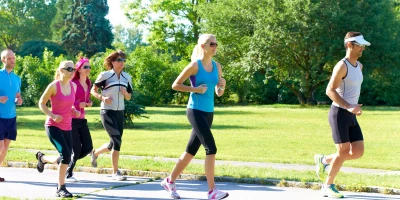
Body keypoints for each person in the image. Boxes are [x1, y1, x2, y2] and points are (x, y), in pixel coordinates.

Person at [160, 34, 229, 200]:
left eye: (216, 44)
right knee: (211, 148)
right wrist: (196, 90)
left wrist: (222, 87)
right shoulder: (194, 66)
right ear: (203, 46)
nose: (215, 46)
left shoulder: (217, 66)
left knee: (190, 152)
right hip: (195, 110)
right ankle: (212, 191)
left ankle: (169, 181)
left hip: (208, 112)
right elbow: (175, 85)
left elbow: (218, 93)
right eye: (212, 44)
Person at [314, 32, 370, 198]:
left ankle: (324, 160)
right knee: (344, 151)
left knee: (358, 151)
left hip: (351, 114)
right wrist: (348, 105)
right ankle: (327, 186)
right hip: (339, 113)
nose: (362, 48)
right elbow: (329, 90)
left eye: (363, 45)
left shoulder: (359, 66)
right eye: (359, 45)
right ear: (349, 45)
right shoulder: (342, 65)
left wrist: (354, 106)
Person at [36, 60, 80, 198]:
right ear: (61, 70)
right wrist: (52, 115)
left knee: (66, 156)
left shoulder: (73, 86)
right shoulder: (54, 86)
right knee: (66, 155)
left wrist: (73, 110)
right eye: (69, 69)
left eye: (73, 69)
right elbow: (41, 103)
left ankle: (42, 158)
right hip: (53, 126)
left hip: (67, 125)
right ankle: (61, 187)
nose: (72, 71)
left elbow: (68, 104)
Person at [90, 50, 132, 181]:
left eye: (123, 60)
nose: (122, 63)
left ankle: (95, 153)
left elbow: (129, 97)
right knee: (117, 141)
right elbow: (93, 90)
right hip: (107, 111)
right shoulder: (105, 75)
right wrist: (102, 98)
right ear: (113, 62)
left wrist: (125, 94)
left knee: (113, 143)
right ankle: (115, 172)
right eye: (119, 60)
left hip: (120, 112)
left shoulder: (127, 77)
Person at [64, 57, 94, 182]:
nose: (88, 69)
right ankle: (68, 173)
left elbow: (85, 99)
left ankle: (62, 160)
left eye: (89, 67)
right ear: (79, 69)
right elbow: (68, 101)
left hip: (82, 119)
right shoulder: (73, 83)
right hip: (71, 119)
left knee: (88, 148)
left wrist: (89, 102)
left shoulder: (88, 82)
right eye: (85, 67)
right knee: (75, 150)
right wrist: (77, 105)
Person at [0, 49, 23, 182]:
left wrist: (19, 100)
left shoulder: (17, 78)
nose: (12, 60)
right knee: (0, 147)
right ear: (3, 60)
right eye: (9, 58)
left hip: (11, 117)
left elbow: (17, 95)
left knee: (5, 148)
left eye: (13, 58)